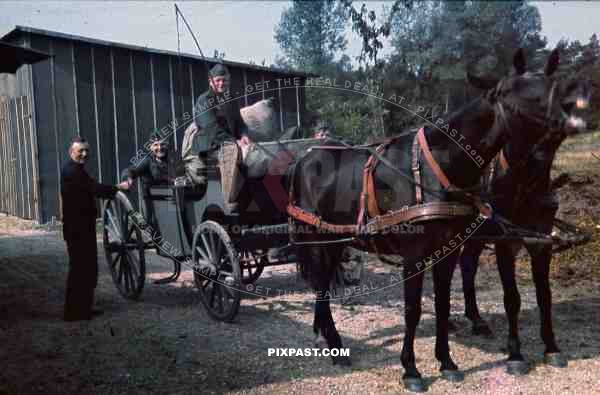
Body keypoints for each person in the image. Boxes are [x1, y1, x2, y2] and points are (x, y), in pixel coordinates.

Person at [61, 136, 130, 321]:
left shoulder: (77, 170)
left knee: (87, 269)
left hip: (83, 228)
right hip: (78, 230)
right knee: (80, 269)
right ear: (71, 152)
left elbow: (91, 187)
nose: (84, 154)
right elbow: (95, 188)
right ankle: (74, 312)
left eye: (86, 151)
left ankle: (82, 309)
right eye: (80, 151)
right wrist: (117, 187)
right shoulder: (72, 171)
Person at [181, 63, 251, 213]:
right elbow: (211, 128)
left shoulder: (231, 99)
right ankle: (229, 200)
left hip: (227, 141)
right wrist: (234, 141)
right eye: (218, 80)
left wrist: (244, 135)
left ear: (229, 81)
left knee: (250, 150)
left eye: (224, 80)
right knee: (231, 150)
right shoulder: (204, 100)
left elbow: (240, 122)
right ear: (210, 81)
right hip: (208, 145)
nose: (221, 83)